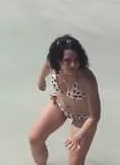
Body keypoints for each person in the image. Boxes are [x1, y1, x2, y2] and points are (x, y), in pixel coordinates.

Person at [29, 35, 101, 165]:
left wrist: (78, 136)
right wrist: (41, 80)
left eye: (76, 60)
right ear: (57, 60)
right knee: (34, 139)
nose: (73, 64)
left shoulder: (86, 79)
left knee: (74, 162)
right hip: (60, 106)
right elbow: (46, 67)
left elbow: (95, 116)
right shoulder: (52, 64)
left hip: (83, 118)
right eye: (67, 60)